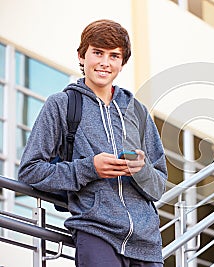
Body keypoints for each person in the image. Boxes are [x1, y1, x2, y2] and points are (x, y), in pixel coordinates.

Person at [18, 19, 167, 267]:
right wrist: (90, 168)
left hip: (146, 244)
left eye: (114, 56)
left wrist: (141, 170)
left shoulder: (137, 111)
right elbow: (30, 170)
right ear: (82, 55)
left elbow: (159, 186)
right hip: (96, 233)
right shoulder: (62, 105)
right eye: (97, 53)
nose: (105, 63)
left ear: (123, 62)